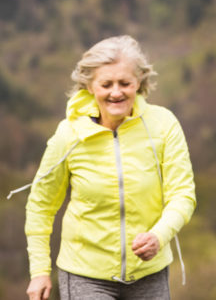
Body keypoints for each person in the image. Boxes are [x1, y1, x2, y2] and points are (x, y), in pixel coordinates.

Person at [13, 35, 196, 300]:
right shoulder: (69, 134)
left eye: (125, 83)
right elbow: (41, 206)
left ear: (139, 83)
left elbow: (183, 195)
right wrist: (39, 271)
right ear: (89, 86)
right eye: (106, 84)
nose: (116, 92)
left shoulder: (163, 124)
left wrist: (159, 236)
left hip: (149, 273)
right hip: (85, 275)